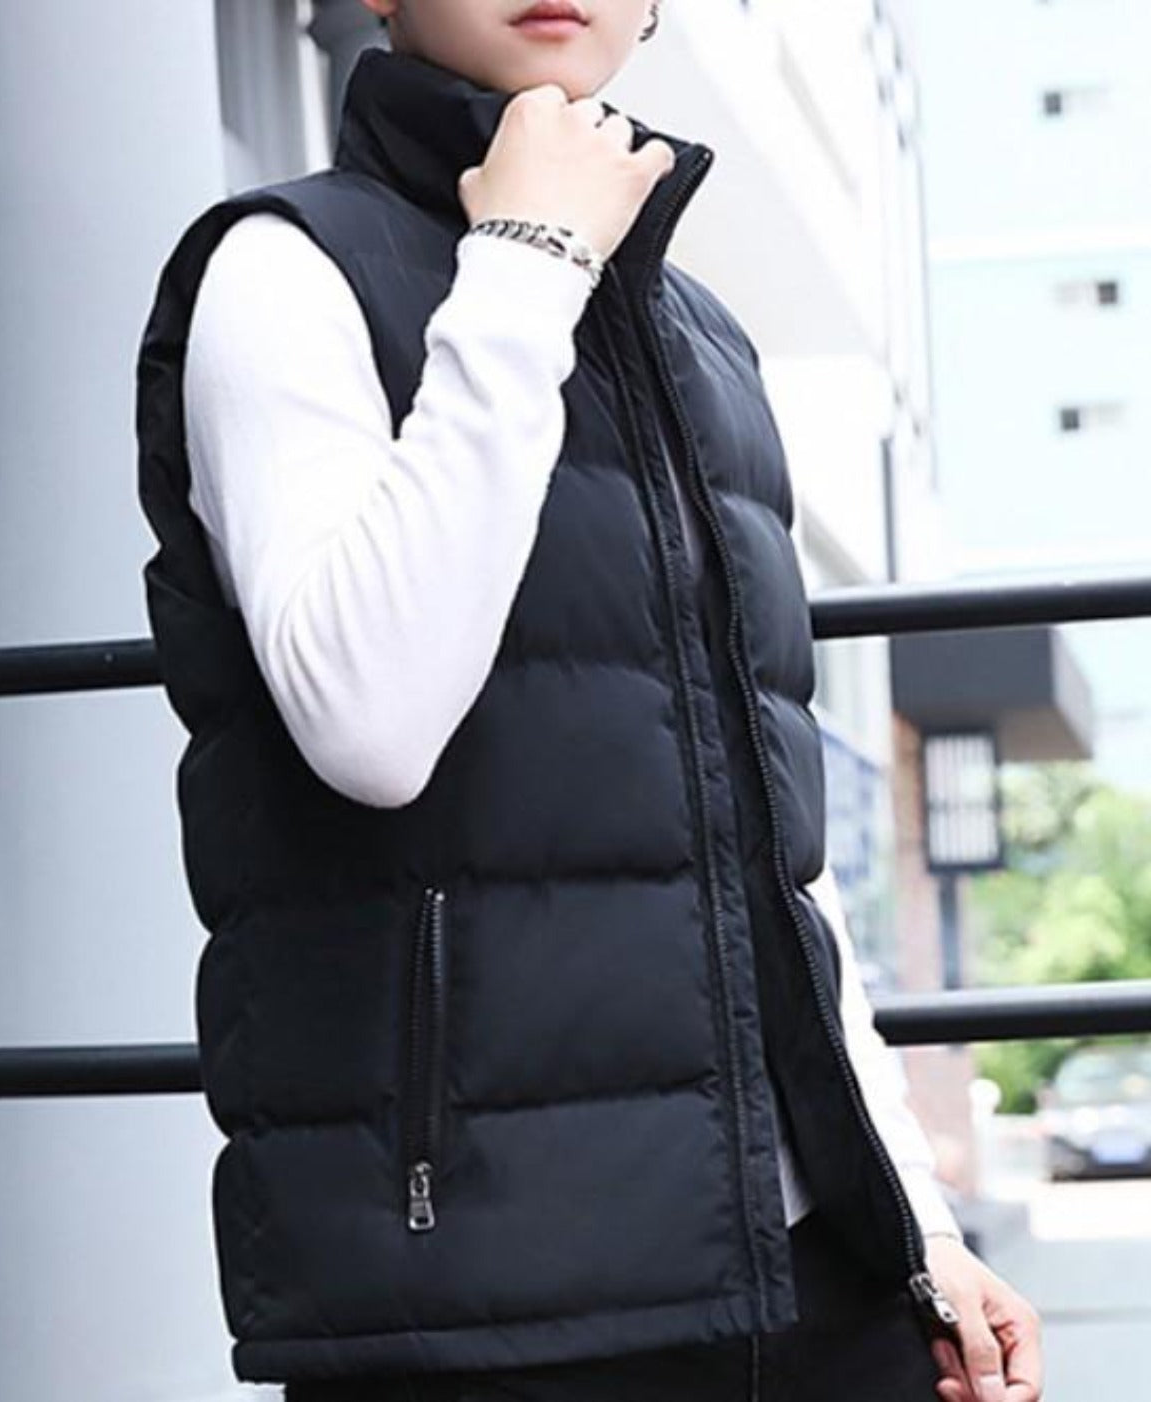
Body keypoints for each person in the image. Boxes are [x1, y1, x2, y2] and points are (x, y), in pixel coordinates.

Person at [135, 3, 1044, 1400]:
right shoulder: (286, 267)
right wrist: (526, 259)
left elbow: (773, 863)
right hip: (487, 1300)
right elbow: (368, 724)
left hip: (805, 1273)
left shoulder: (704, 335)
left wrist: (914, 1221)